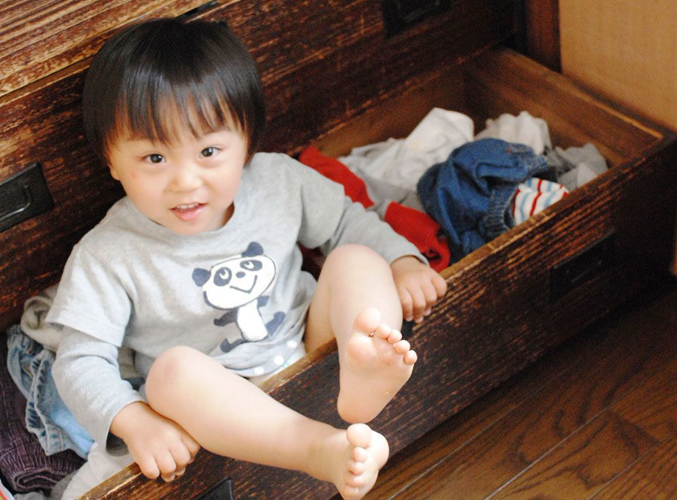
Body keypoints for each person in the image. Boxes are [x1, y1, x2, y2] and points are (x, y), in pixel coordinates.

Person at [47, 17, 447, 499]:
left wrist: (402, 262)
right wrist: (133, 420)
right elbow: (80, 360)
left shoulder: (278, 180)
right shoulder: (107, 253)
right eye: (155, 159)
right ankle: (320, 448)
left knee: (357, 257)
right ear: (111, 159)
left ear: (247, 144)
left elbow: (346, 219)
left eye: (209, 151)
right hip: (209, 406)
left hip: (310, 345)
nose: (184, 181)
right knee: (171, 372)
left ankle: (364, 366)